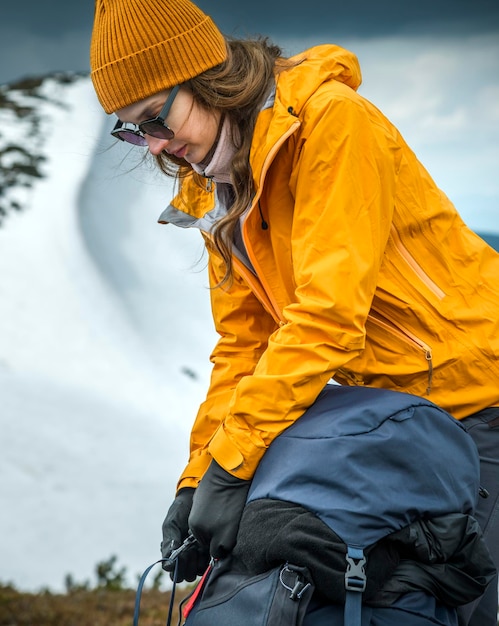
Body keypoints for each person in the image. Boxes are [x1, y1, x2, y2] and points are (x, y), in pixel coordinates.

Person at [89, 1, 499, 624]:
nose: (156, 146)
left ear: (206, 77)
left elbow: (328, 317)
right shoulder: (219, 185)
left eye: (156, 117)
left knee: (464, 599)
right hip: (399, 422)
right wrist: (197, 478)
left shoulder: (332, 125)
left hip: (479, 399)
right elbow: (243, 346)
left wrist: (234, 465)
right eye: (134, 130)